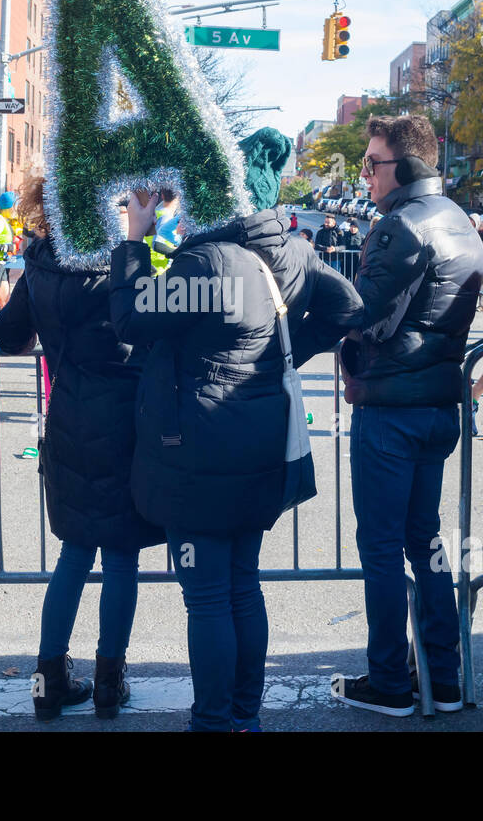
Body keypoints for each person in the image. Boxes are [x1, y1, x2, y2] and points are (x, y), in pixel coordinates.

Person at [109, 128, 363, 731]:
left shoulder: (206, 260)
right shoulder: (295, 251)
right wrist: (282, 355)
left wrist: (135, 242)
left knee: (207, 597)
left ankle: (216, 720)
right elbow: (350, 306)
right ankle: (243, 716)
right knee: (243, 584)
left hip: (198, 449)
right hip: (260, 441)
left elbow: (130, 318)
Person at [0, 175, 163, 721]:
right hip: (124, 421)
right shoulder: (122, 267)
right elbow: (148, 334)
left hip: (66, 413)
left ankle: (48, 678)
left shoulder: (39, 266)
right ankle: (110, 679)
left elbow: (8, 333)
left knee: (73, 555)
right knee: (119, 558)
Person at [334, 114, 483, 717]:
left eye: (373, 163)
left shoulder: (400, 227)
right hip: (437, 406)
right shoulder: (459, 221)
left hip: (393, 408)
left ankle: (391, 682)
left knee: (381, 550)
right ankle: (443, 679)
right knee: (426, 544)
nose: (365, 174)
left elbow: (365, 315)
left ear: (408, 167)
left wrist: (341, 344)